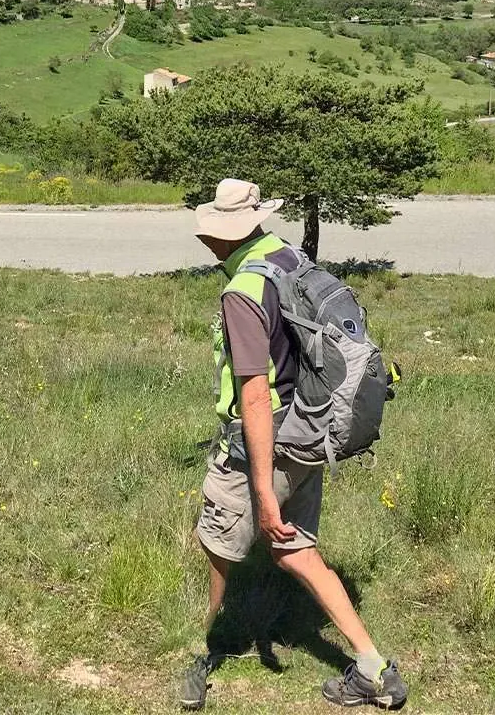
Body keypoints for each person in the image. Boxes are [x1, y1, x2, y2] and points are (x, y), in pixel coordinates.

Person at [180, 179, 407, 712]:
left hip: (265, 444)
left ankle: (197, 645)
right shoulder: (287, 258)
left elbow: (254, 395)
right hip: (309, 428)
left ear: (223, 234)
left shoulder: (242, 293)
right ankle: (373, 668)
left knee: (218, 543)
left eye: (209, 231)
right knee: (294, 549)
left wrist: (262, 490)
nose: (203, 240)